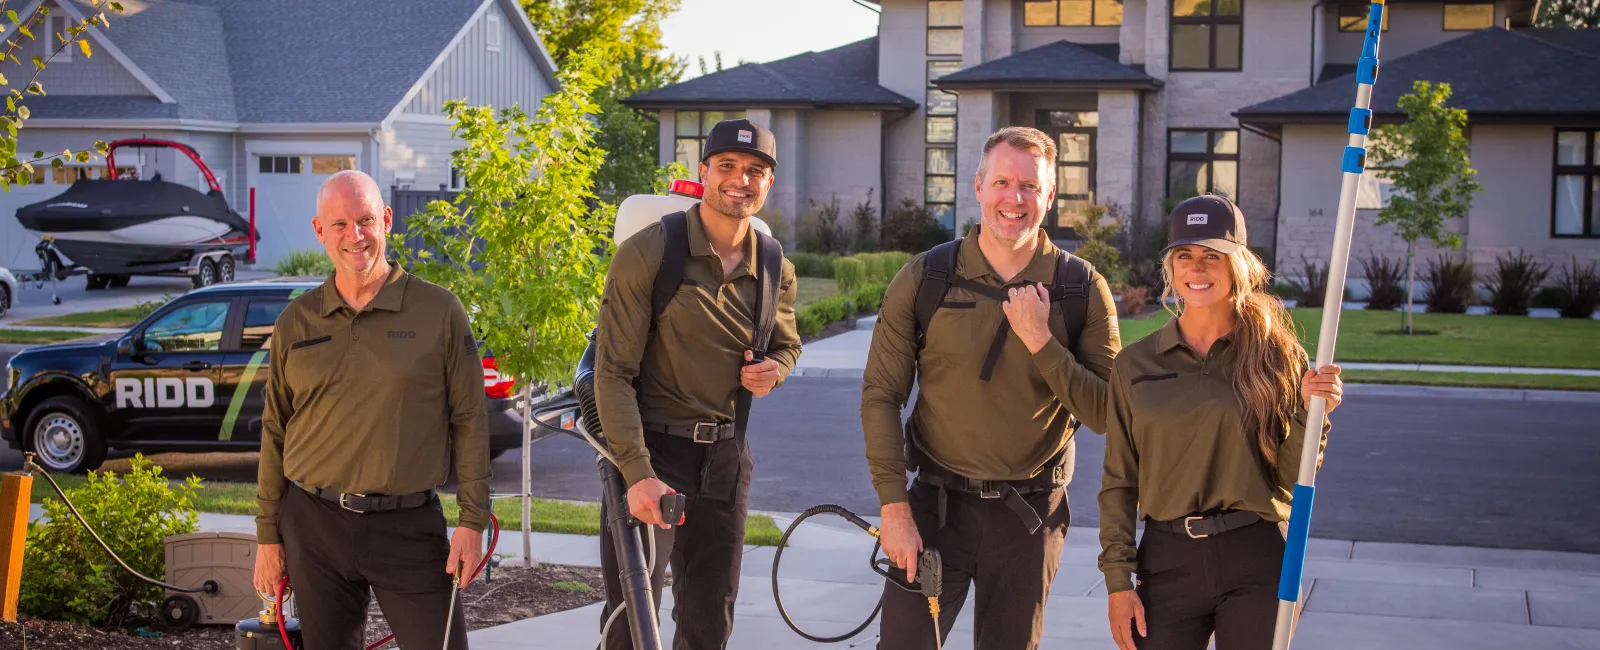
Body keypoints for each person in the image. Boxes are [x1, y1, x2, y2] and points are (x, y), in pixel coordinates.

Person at [861, 126, 1121, 649]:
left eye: (1030, 186)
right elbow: (881, 397)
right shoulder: (926, 278)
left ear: (1049, 195)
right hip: (933, 512)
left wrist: (1043, 343)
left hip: (1030, 517)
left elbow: (1110, 414)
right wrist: (894, 509)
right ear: (978, 186)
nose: (1015, 198)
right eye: (1003, 181)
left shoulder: (1080, 287)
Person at [251, 170, 490, 650]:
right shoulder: (295, 322)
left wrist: (472, 521)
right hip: (313, 524)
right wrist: (267, 536)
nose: (353, 236)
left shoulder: (439, 311)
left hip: (406, 524)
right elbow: (275, 429)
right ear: (319, 231)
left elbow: (469, 420)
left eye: (364, 220)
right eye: (338, 224)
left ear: (385, 220)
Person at [1098, 194, 1344, 650]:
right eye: (1185, 256)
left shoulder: (1278, 356)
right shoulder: (1136, 363)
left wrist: (1313, 414)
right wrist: (1117, 581)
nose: (1198, 268)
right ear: (1170, 267)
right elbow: (1119, 481)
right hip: (1167, 560)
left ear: (1238, 266)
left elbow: (1294, 477)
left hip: (1256, 553)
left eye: (1213, 256)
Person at [592, 117, 802, 649]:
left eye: (755, 170)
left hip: (727, 460)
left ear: (768, 182)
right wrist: (636, 473)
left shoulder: (775, 264)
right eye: (727, 166)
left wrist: (775, 370)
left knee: (711, 619)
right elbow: (611, 373)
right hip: (653, 453)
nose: (741, 179)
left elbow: (787, 344)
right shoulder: (649, 252)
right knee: (632, 621)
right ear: (703, 171)